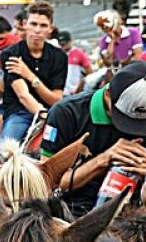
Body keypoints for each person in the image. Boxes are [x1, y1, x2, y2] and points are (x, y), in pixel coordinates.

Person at [42, 61, 146, 217]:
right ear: (108, 93)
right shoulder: (66, 114)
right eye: (123, 118)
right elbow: (47, 183)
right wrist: (103, 160)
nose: (131, 129)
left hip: (131, 212)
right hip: (71, 210)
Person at [0, 0, 67, 142]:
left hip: (51, 112)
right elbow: (23, 95)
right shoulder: (11, 54)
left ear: (50, 29)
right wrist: (43, 115)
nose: (37, 30)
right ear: (25, 24)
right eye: (33, 24)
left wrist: (30, 76)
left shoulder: (59, 56)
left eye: (43, 25)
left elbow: (56, 99)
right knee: (7, 148)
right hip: (19, 113)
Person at [57, 30, 93, 96]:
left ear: (70, 41)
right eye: (61, 44)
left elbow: (90, 72)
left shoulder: (79, 53)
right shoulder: (57, 54)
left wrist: (80, 86)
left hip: (75, 92)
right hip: (61, 92)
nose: (63, 45)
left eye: (65, 43)